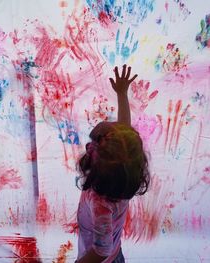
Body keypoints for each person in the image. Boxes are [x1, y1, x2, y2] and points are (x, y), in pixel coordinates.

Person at [76, 65, 150, 263]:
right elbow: (124, 130)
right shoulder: (121, 176)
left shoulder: (101, 203)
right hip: (116, 254)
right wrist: (122, 94)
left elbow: (101, 251)